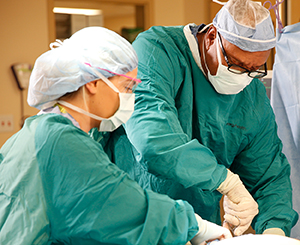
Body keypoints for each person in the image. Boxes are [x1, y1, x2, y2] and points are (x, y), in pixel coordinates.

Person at [0, 27, 231, 244]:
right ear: (93, 83)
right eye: (127, 87)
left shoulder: (33, 131)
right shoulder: (61, 141)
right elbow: (121, 203)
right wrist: (194, 225)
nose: (130, 98)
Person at [121, 0, 298, 237]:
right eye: (237, 65)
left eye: (255, 69)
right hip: (138, 221)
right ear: (213, 36)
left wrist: (274, 230)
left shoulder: (250, 90)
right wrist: (226, 181)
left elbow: (267, 170)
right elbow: (153, 138)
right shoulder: (157, 51)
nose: (244, 77)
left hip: (202, 229)